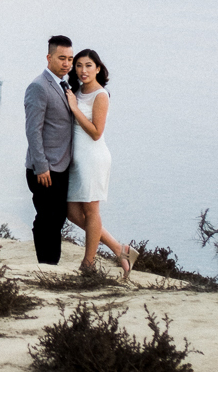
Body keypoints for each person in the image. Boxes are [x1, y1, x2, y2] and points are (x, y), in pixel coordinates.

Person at [63, 48, 139, 278]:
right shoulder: (75, 90)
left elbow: (96, 132)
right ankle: (120, 249)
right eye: (79, 65)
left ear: (98, 68)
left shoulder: (100, 95)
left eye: (88, 65)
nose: (83, 70)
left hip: (93, 158)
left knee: (91, 209)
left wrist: (75, 108)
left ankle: (88, 262)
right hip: (76, 161)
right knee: (71, 212)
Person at [24, 34, 76, 264]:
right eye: (62, 58)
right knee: (46, 218)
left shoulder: (66, 85)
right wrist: (41, 166)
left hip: (62, 165)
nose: (66, 63)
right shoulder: (38, 87)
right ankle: (46, 264)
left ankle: (51, 263)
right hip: (44, 168)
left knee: (58, 217)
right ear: (49, 57)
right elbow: (33, 130)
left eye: (70, 59)